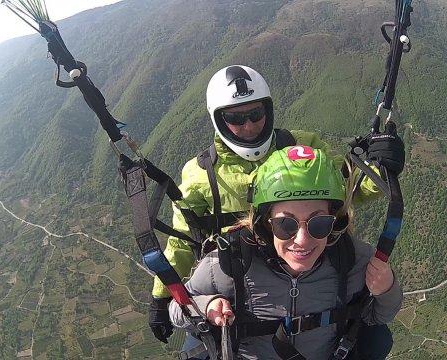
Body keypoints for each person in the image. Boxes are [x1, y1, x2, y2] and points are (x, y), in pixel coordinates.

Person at [148, 65, 405, 344]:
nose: (248, 125)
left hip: (307, 269)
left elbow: (344, 191)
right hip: (234, 281)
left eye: (256, 114)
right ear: (218, 120)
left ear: (268, 111)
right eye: (235, 117)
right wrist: (162, 298)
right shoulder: (201, 175)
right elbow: (182, 241)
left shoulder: (302, 147)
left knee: (374, 339)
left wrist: (383, 169)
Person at [169, 146, 403, 359]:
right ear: (265, 223)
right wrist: (207, 305)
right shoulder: (230, 262)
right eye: (286, 225)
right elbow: (177, 310)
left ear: (335, 222)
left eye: (318, 224)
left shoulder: (352, 259)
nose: (302, 240)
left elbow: (375, 318)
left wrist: (386, 290)